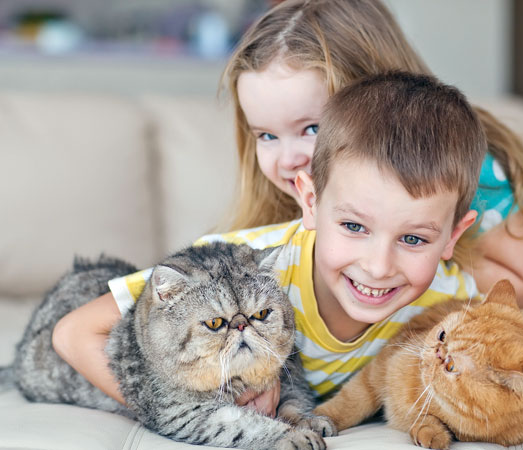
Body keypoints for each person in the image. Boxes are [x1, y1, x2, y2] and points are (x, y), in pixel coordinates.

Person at [52, 0, 523, 417]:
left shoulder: (458, 166)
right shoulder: (286, 236)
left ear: (370, 98)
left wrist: (422, 253)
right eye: (266, 135)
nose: (288, 158)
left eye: (311, 128)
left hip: (513, 315)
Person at [75, 71, 486, 408]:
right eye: (354, 227)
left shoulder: (453, 305)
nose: (378, 267)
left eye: (413, 239)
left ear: (453, 236)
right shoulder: (243, 272)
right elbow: (74, 333)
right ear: (310, 201)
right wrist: (190, 413)